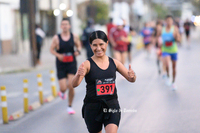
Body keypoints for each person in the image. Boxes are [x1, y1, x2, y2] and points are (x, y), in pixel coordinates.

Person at [72, 30, 136, 133]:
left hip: (111, 105)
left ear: (107, 43)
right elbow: (74, 84)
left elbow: (131, 79)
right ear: (90, 45)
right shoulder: (87, 64)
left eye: (101, 44)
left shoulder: (114, 63)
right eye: (94, 45)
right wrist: (79, 74)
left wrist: (132, 76)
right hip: (92, 107)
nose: (98, 48)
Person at [50, 18, 81, 114]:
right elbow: (51, 49)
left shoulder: (74, 36)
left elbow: (79, 45)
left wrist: (78, 51)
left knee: (71, 85)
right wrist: (58, 55)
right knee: (63, 87)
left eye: (66, 24)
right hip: (61, 64)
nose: (65, 26)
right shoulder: (56, 38)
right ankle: (62, 92)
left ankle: (70, 106)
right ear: (61, 26)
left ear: (69, 26)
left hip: (71, 63)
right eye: (63, 24)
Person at [161, 15, 181, 90]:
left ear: (172, 21)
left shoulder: (175, 29)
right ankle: (168, 76)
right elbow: (158, 37)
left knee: (174, 67)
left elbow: (179, 40)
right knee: (167, 64)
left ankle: (173, 82)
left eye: (170, 20)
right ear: (165, 21)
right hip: (165, 50)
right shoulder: (162, 29)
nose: (169, 22)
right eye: (167, 20)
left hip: (173, 50)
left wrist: (175, 37)